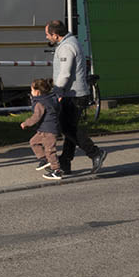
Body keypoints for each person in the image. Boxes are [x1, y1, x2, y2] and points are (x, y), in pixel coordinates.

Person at [45, 19, 107, 174]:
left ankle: (95, 153)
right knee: (70, 128)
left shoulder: (66, 47)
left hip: (73, 94)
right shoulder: (71, 42)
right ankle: (65, 161)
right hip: (75, 93)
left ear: (55, 35)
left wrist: (57, 91)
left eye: (48, 35)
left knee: (68, 128)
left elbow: (65, 73)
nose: (47, 37)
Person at [21, 78, 64, 180]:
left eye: (31, 90)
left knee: (50, 151)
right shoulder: (51, 99)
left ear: (37, 91)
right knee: (33, 142)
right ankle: (44, 159)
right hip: (43, 130)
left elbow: (36, 117)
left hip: (48, 131)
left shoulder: (41, 103)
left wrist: (26, 123)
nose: (31, 92)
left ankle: (56, 170)